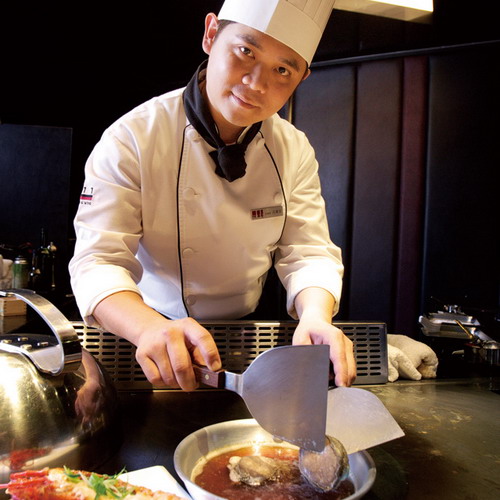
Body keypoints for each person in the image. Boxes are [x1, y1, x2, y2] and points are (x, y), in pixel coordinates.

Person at [69, 0, 356, 392]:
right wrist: (147, 326)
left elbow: (309, 252)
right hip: (143, 332)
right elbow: (98, 262)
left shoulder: (293, 148)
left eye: (282, 70)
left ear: (301, 78)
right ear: (210, 35)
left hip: (245, 337)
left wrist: (316, 317)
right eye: (245, 51)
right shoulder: (132, 137)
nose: (256, 83)